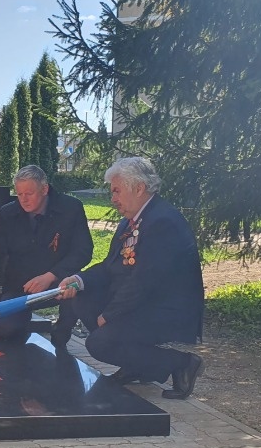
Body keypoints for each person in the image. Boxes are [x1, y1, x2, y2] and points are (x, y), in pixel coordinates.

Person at [57, 157, 205, 399]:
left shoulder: (162, 222)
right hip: (143, 302)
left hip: (166, 309)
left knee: (99, 344)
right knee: (82, 299)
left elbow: (144, 281)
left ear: (138, 188)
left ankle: (181, 363)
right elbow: (110, 266)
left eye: (116, 191)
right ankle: (136, 365)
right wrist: (78, 279)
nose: (112, 198)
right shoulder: (132, 219)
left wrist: (108, 315)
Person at [0, 165, 93, 341]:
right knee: (7, 330)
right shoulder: (8, 213)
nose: (23, 200)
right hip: (20, 286)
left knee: (76, 296)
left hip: (60, 282)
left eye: (29, 194)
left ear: (44, 189)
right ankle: (21, 329)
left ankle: (62, 331)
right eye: (19, 194)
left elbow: (83, 251)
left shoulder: (71, 209)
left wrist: (50, 276)